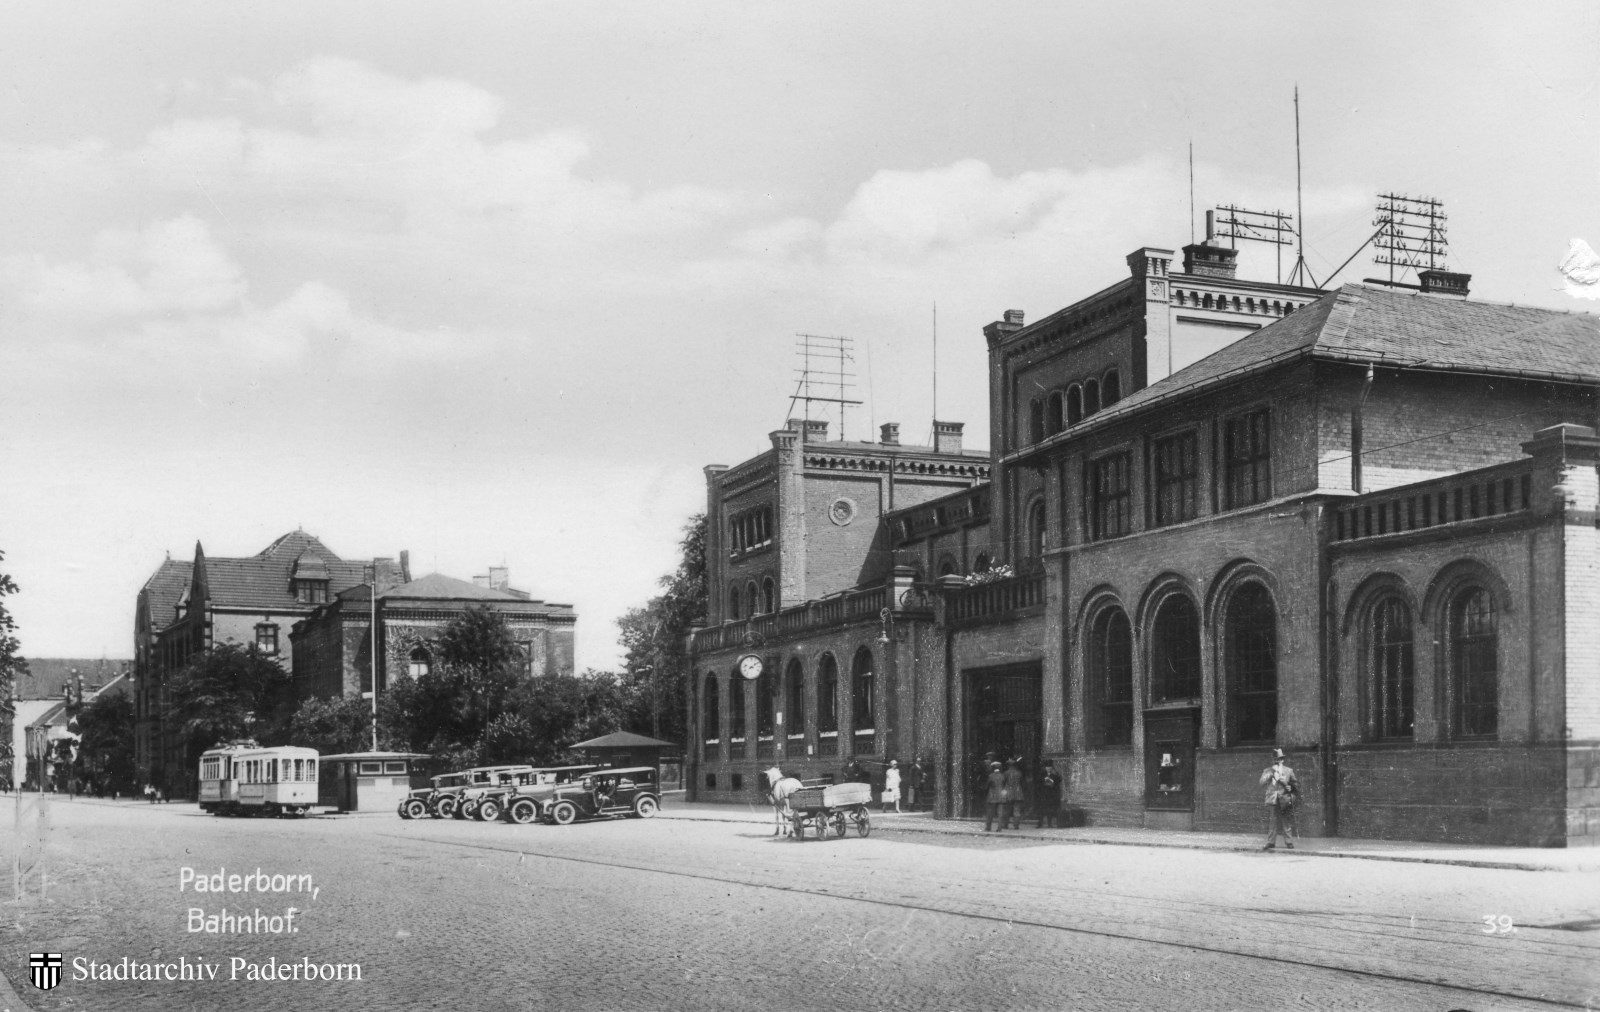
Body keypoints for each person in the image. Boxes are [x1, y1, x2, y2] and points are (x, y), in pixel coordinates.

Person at [1259, 749, 1299, 850]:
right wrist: (1271, 774)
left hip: (1285, 798)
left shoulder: (1289, 771)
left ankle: (1289, 842)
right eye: (1276, 759)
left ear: (1283, 760)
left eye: (1280, 759)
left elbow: (1296, 784)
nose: (1278, 761)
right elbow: (1261, 782)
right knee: (1273, 821)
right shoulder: (1267, 770)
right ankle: (1271, 842)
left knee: (1286, 821)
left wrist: (1291, 787)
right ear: (1273, 760)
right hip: (1273, 799)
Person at [1037, 760, 1062, 828]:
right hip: (1044, 794)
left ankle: (1050, 823)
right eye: (1047, 767)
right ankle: (1040, 823)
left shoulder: (1054, 774)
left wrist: (1052, 779)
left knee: (1051, 809)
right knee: (1042, 809)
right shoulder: (1042, 774)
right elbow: (1039, 782)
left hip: (1051, 795)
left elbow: (1059, 780)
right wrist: (1044, 779)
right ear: (1045, 768)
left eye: (1050, 767)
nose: (1049, 768)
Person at [1002, 758, 1024, 830]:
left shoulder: (1006, 773)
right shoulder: (1019, 773)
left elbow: (1003, 782)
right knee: (1017, 810)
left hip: (1008, 792)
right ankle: (1016, 825)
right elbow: (1022, 782)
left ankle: (1005, 825)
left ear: (1009, 765)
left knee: (1006, 809)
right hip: (1018, 792)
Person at [983, 761, 1006, 831]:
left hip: (992, 796)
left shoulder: (991, 776)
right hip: (1001, 796)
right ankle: (999, 828)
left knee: (990, 812)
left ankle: (988, 827)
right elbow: (1004, 785)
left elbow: (986, 786)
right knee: (1000, 813)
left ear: (993, 768)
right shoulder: (1002, 776)